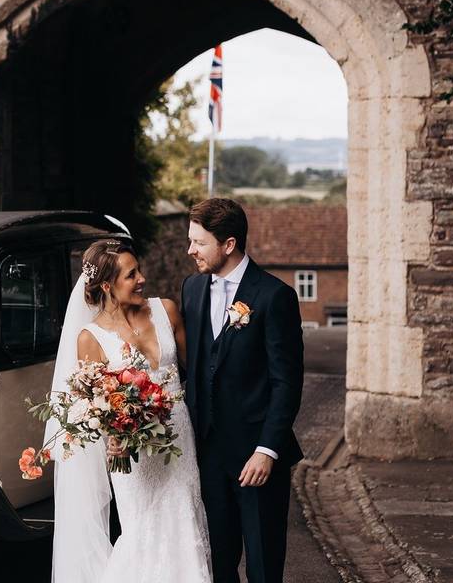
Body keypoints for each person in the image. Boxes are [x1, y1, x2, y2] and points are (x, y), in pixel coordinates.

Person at [47, 239, 212, 583]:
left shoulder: (166, 311)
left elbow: (197, 374)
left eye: (139, 270)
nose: (142, 279)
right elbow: (92, 406)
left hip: (179, 442)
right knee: (142, 534)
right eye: (131, 274)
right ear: (107, 285)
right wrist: (112, 435)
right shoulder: (89, 339)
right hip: (133, 456)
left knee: (186, 523)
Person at [181, 198, 304, 583]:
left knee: (264, 565)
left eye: (199, 243)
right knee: (217, 565)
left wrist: (267, 451)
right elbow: (192, 369)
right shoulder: (192, 289)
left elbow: (287, 382)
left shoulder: (274, 296)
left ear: (229, 244)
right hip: (208, 456)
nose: (190, 250)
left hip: (257, 460)